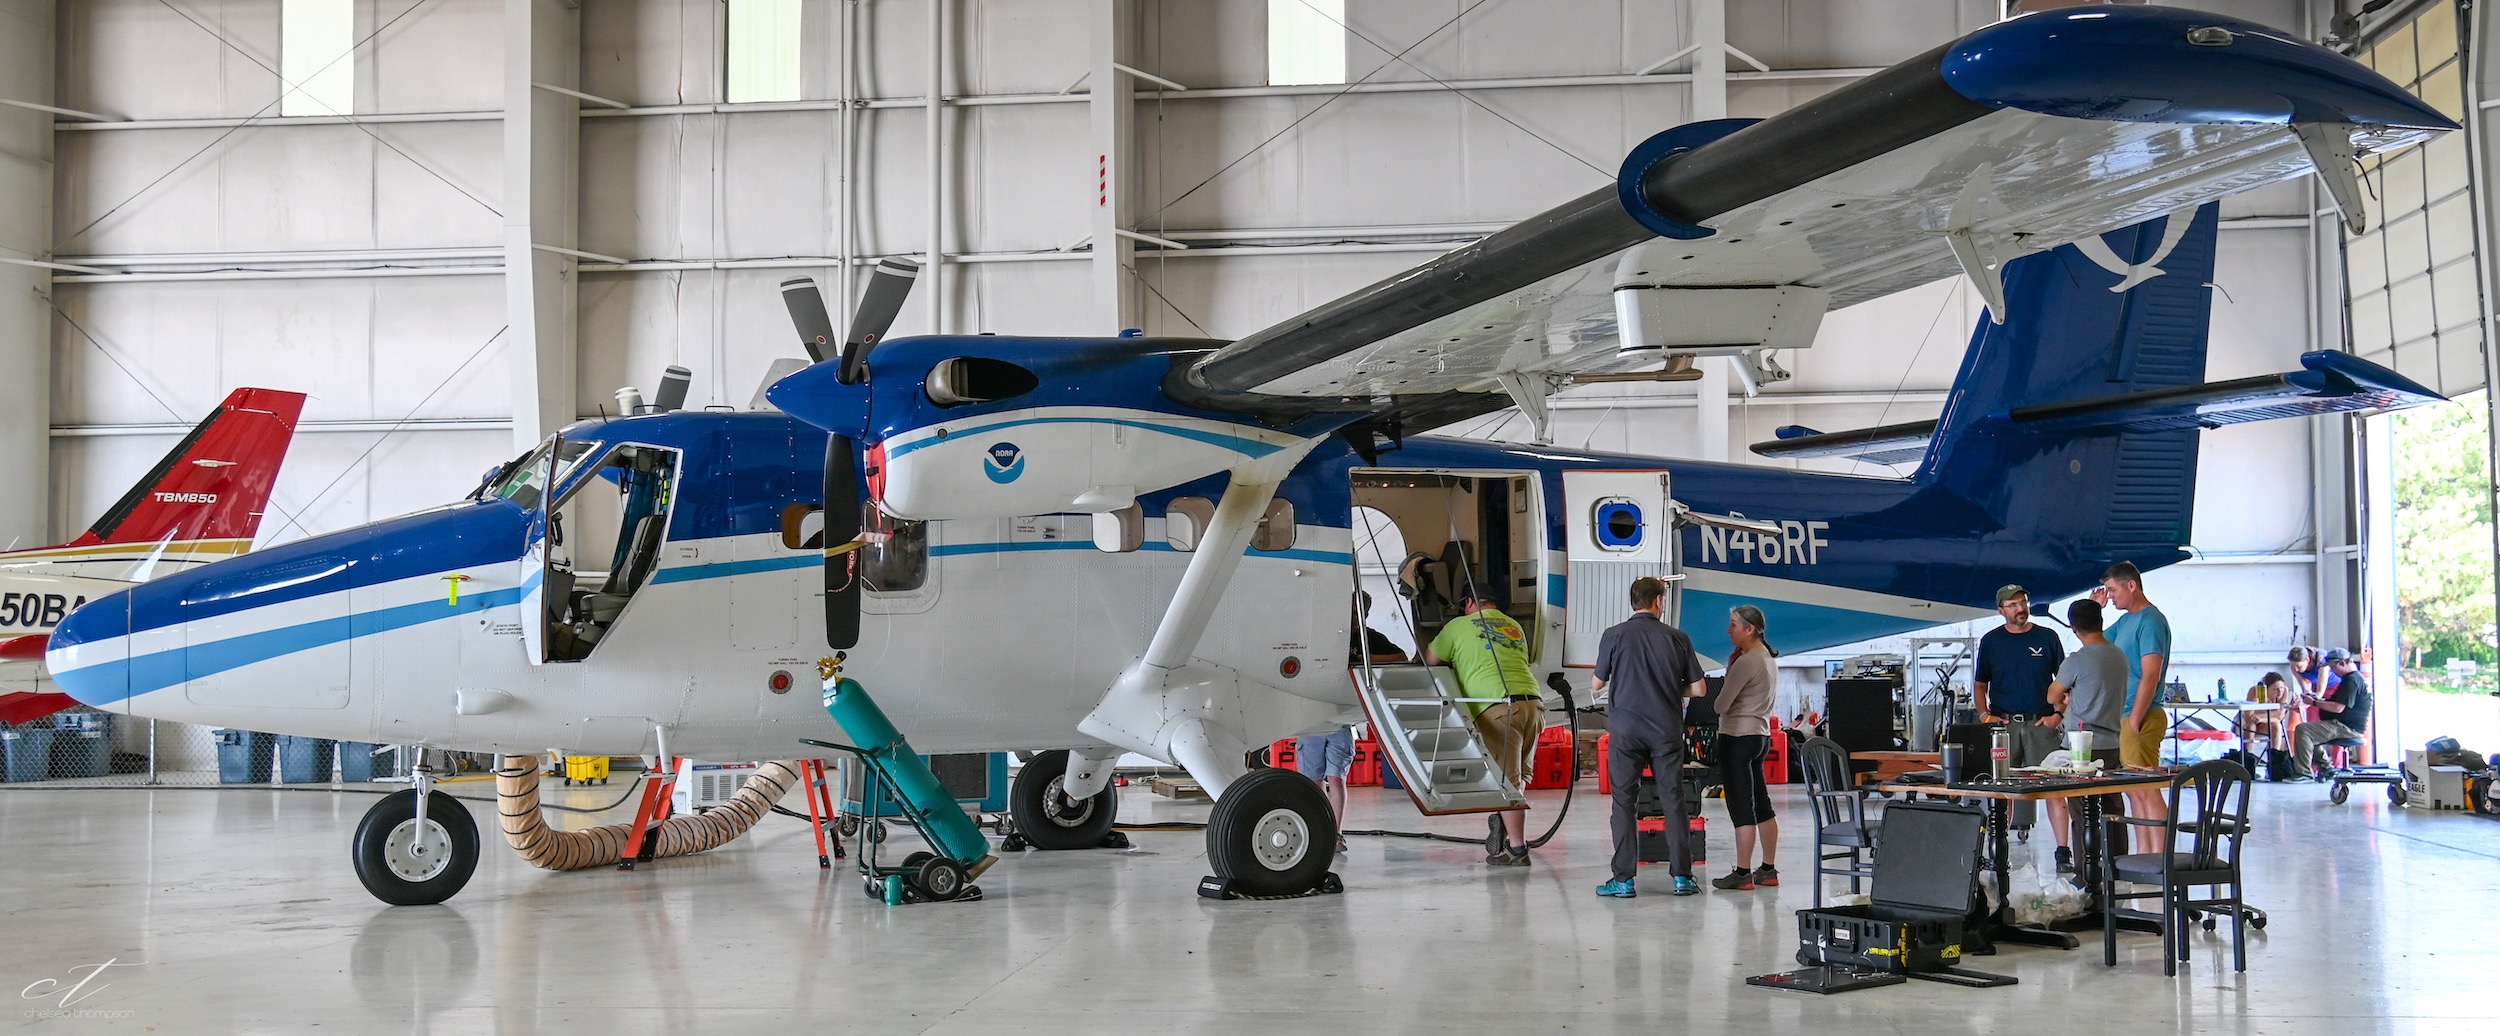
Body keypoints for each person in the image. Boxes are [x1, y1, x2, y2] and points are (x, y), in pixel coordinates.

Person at [1589, 576, 1706, 898]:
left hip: (1626, 732)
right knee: (1673, 802)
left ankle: (1623, 879)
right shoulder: (1677, 637)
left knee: (1623, 804)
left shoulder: (1613, 635)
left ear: (1634, 602)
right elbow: (1699, 689)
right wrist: (1668, 686)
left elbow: (1597, 683)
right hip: (1665, 733)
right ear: (1658, 601)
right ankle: (1682, 877)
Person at [1423, 584, 1541, 867]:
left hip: (1497, 708)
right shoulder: (1513, 625)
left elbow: (1430, 660)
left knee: (1506, 785)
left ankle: (1516, 848)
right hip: (1533, 705)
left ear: (1468, 603)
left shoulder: (1459, 625)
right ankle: (1508, 831)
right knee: (1517, 780)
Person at [1302, 593, 1406, 855]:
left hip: (1343, 721)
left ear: (1364, 614)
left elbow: (1401, 655)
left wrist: (1363, 661)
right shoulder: (1323, 636)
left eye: (1355, 612)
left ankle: (1336, 834)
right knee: (1314, 783)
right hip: (1312, 719)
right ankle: (1318, 831)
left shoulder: (1369, 637)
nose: (1349, 617)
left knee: (1336, 780)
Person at [1973, 584, 2067, 835]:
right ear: (2001, 610)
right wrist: (1985, 716)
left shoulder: (2047, 637)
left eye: (2023, 602)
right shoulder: (1991, 642)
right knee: (2003, 791)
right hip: (2004, 727)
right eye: (2013, 605)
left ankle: (2062, 852)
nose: (2020, 609)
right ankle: (2000, 848)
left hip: (2041, 725)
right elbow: (1980, 685)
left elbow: (2065, 683)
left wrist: (2057, 716)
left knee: (2054, 789)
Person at [2042, 599, 2126, 873]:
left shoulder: (2076, 660)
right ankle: (2117, 870)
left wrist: (2069, 696)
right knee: (2113, 810)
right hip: (2111, 744)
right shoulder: (2119, 656)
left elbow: (2052, 695)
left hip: (2081, 747)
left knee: (2082, 812)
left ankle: (2085, 873)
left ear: (2074, 627)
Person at [2099, 560, 2171, 850]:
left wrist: (2135, 719)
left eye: (2112, 590)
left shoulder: (2151, 621)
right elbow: (2097, 643)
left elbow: (2151, 674)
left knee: (2148, 788)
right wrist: (2096, 609)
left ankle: (2161, 856)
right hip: (2127, 712)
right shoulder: (2126, 621)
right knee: (2135, 791)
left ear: (2132, 585)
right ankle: (2145, 853)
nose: (2111, 595)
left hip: (2141, 714)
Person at [1710, 605, 1781, 892]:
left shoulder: (1745, 662)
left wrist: (1729, 672)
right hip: (1760, 737)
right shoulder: (1767, 658)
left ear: (1749, 629)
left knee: (1742, 809)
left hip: (1737, 737)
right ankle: (1768, 868)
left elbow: (1719, 705)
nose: (1729, 630)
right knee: (1762, 804)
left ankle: (1742, 873)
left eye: (1734, 625)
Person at [2291, 649, 2373, 779]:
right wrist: (2316, 699)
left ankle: (2304, 773)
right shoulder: (2349, 679)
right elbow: (2336, 702)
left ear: (2342, 663)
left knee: (2303, 730)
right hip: (2342, 725)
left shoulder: (2352, 681)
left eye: (2333, 668)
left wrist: (2314, 703)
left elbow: (2338, 708)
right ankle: (2327, 768)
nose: (2332, 671)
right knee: (2311, 732)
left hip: (2346, 727)